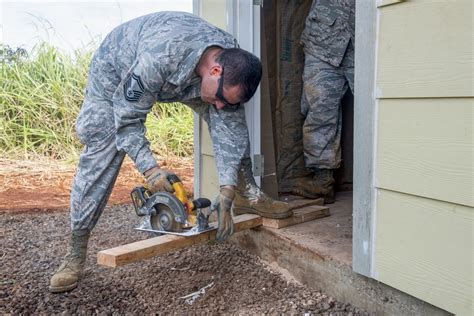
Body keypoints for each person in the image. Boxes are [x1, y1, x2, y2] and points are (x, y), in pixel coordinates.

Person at [49, 11, 291, 294]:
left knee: (229, 121)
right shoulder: (158, 58)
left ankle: (246, 193)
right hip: (115, 74)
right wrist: (151, 171)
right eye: (223, 98)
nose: (222, 105)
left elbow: (230, 126)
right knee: (103, 148)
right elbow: (127, 121)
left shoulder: (228, 58)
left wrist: (227, 187)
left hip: (183, 71)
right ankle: (75, 253)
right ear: (215, 71)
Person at [297, 0, 355, 203]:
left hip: (368, 39)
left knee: (378, 110)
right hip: (322, 40)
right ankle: (322, 180)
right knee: (320, 109)